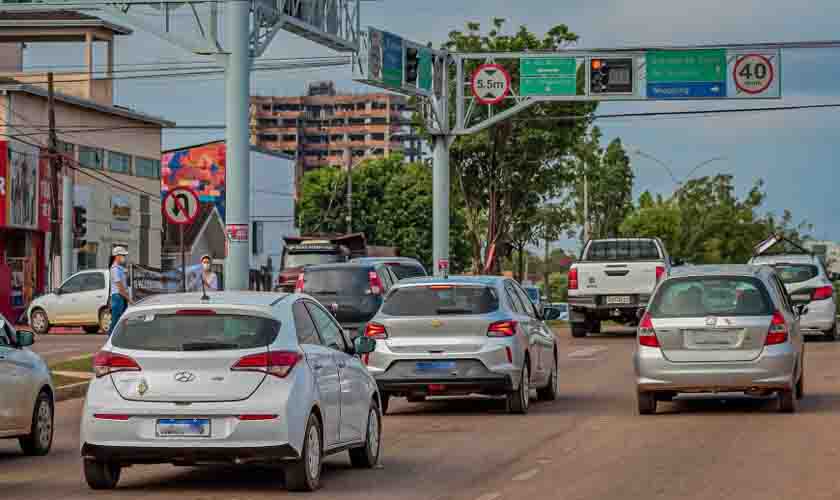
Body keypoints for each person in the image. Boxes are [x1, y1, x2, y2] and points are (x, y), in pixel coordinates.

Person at [109, 246, 132, 335]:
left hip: (122, 297)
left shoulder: (120, 268)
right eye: (122, 255)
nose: (124, 257)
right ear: (116, 256)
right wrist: (129, 299)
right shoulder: (115, 269)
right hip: (118, 297)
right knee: (116, 321)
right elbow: (120, 288)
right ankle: (110, 340)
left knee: (122, 321)